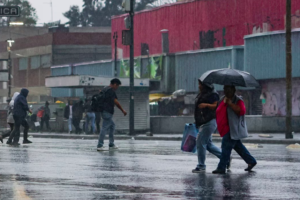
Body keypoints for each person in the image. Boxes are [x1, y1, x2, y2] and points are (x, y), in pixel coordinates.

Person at [212, 85, 257, 174]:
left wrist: (230, 104)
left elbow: (241, 111)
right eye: (224, 89)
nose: (225, 91)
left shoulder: (238, 100)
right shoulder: (222, 99)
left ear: (233, 90)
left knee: (225, 148)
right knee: (238, 147)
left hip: (232, 129)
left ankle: (221, 167)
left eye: (228, 89)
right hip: (224, 128)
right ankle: (251, 161)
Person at [192, 80, 225, 173]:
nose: (198, 86)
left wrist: (205, 105)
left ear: (205, 85)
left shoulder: (212, 94)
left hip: (209, 121)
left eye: (200, 84)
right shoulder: (203, 94)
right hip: (204, 121)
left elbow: (215, 105)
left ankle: (201, 165)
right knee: (208, 145)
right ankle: (225, 158)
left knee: (200, 142)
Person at [97, 78, 127, 151]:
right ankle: (100, 145)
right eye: (117, 86)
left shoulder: (105, 89)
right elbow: (116, 102)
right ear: (114, 84)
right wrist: (123, 110)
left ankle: (111, 144)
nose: (117, 88)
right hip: (107, 112)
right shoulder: (110, 91)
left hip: (103, 111)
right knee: (104, 128)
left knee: (112, 126)